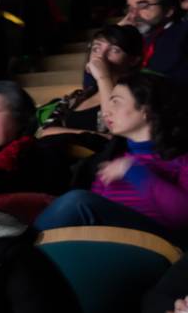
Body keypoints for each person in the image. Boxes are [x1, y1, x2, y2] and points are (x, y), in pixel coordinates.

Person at [35, 73, 188, 242]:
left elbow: (183, 217)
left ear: (146, 110)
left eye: (116, 102)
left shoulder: (180, 159)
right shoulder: (115, 161)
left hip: (158, 245)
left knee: (77, 202)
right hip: (105, 242)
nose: (106, 111)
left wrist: (134, 171)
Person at [38, 25, 143, 141]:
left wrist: (103, 78)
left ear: (133, 60)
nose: (101, 56)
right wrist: (96, 136)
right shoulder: (80, 95)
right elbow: (46, 131)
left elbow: (116, 133)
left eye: (114, 50)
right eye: (96, 48)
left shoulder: (137, 95)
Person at [125, 0, 188, 83]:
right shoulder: (140, 36)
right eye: (130, 8)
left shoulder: (183, 37)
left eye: (143, 6)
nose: (133, 15)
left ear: (168, 10)